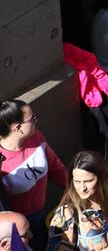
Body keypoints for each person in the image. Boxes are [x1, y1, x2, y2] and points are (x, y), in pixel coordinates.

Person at [0, 101, 66, 244]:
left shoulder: (36, 137)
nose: (36, 120)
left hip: (41, 210)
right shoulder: (2, 162)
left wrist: (71, 188)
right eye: (32, 119)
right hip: (19, 225)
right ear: (18, 128)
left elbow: (55, 167)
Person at [45, 151, 108, 251]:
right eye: (77, 181)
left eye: (88, 181)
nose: (82, 188)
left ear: (102, 178)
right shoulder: (67, 214)